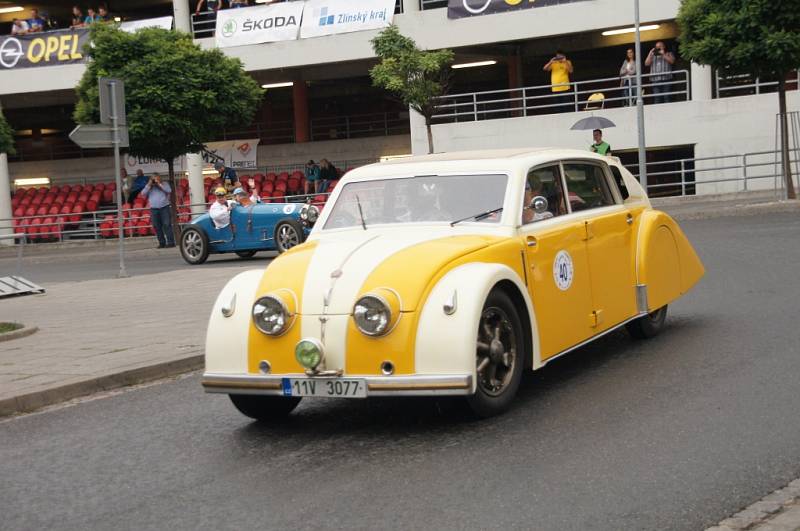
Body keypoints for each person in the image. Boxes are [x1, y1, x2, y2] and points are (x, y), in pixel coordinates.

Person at [141, 173, 175, 249]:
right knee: (156, 226)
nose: (154, 180)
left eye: (156, 178)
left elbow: (169, 190)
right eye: (153, 179)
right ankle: (162, 243)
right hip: (154, 209)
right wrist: (149, 185)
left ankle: (171, 242)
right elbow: (142, 193)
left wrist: (159, 184)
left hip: (164, 207)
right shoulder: (150, 186)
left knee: (167, 225)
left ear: (159, 178)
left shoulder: (164, 183)